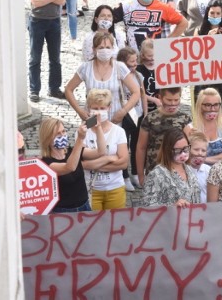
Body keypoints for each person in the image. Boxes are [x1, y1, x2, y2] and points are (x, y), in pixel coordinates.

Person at [65, 31, 141, 124]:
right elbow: (68, 89)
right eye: (101, 47)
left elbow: (136, 92)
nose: (105, 50)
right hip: (92, 119)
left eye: (108, 47)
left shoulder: (120, 67)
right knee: (90, 137)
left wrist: (123, 111)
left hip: (114, 119)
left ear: (112, 49)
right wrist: (79, 111)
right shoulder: (85, 67)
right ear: (94, 49)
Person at [26, 0, 66, 103]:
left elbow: (62, 1)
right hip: (37, 21)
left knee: (55, 57)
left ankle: (54, 88)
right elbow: (35, 2)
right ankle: (34, 90)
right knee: (35, 57)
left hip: (54, 21)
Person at [81, 89, 129, 210]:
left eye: (102, 108)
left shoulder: (119, 132)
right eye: (95, 108)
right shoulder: (83, 131)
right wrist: (108, 159)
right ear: (89, 108)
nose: (98, 112)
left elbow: (123, 163)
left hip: (115, 188)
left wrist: (93, 164)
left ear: (109, 108)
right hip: (91, 188)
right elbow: (80, 163)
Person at [112, 0, 188, 51]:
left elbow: (183, 22)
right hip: (132, 57)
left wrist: (167, 41)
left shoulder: (162, 7)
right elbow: (106, 17)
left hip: (155, 55)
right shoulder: (126, 6)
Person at [136, 87, 191, 185]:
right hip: (154, 170)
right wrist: (140, 175)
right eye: (169, 100)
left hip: (177, 172)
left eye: (176, 100)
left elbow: (189, 146)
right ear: (160, 98)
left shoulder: (185, 119)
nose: (173, 103)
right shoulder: (149, 118)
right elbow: (141, 147)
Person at [39, 118, 90, 213]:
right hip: (63, 211)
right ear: (48, 138)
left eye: (63, 131)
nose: (63, 135)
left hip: (84, 206)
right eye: (58, 134)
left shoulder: (72, 151)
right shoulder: (46, 163)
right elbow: (70, 167)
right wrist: (80, 139)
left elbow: (101, 152)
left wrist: (98, 127)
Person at [193, 1, 222, 109]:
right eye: (212, 13)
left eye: (218, 13)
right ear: (207, 13)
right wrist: (208, 40)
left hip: (220, 74)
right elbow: (194, 56)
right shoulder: (199, 31)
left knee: (219, 110)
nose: (215, 16)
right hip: (202, 75)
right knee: (200, 108)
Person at [142, 128, 200, 207]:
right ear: (167, 150)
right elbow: (147, 207)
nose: (183, 154)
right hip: (170, 218)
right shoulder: (157, 174)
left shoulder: (189, 169)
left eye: (185, 149)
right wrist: (172, 207)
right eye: (177, 150)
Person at [117, 46, 146, 189]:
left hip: (138, 115)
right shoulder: (119, 78)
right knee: (124, 146)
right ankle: (124, 176)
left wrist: (145, 113)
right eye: (131, 62)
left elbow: (143, 95)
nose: (135, 64)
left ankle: (135, 172)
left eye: (136, 61)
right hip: (124, 117)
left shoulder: (139, 76)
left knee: (136, 145)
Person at [189, 88, 222, 165]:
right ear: (200, 105)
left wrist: (205, 159)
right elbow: (187, 156)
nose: (212, 109)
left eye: (216, 105)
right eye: (207, 105)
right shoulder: (191, 129)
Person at [187, 130, 210, 203]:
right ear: (188, 149)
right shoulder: (183, 170)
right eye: (196, 149)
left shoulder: (208, 170)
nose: (200, 153)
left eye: (203, 151)